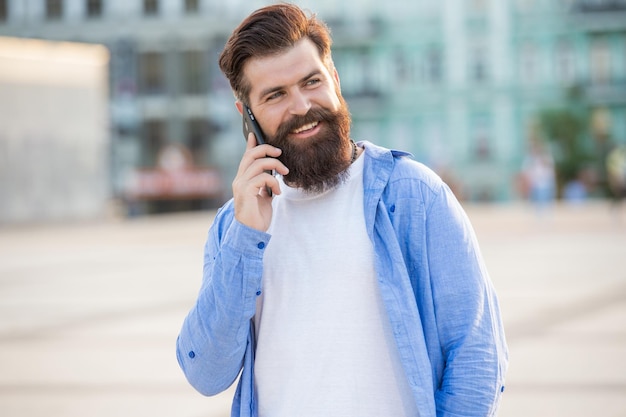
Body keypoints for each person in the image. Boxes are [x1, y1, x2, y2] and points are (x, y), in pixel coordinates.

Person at [176, 4, 508, 417]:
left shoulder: (411, 194)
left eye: (311, 81)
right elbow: (206, 372)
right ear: (247, 116)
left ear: (334, 79)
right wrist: (246, 236)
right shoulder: (234, 225)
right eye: (275, 95)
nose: (300, 106)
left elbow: (476, 354)